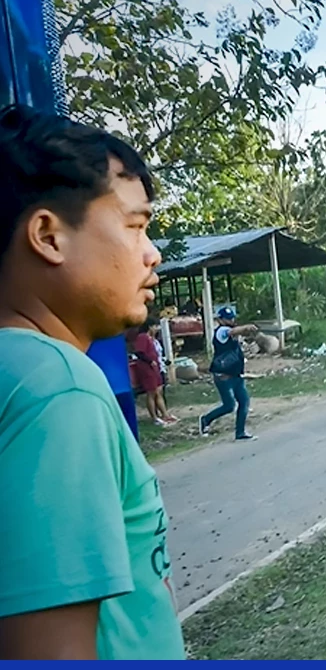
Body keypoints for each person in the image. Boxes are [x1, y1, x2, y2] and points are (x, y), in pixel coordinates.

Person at [0, 104, 185, 658]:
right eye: (134, 226)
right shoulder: (59, 391)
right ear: (49, 236)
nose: (152, 255)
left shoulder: (16, 373)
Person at [199, 306, 257, 441]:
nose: (231, 320)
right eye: (228, 318)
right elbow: (232, 331)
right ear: (220, 320)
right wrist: (246, 327)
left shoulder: (231, 333)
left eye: (232, 317)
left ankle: (240, 432)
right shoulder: (221, 331)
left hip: (236, 374)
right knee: (229, 406)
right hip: (223, 376)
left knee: (244, 402)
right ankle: (206, 419)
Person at [133, 318, 176, 426]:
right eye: (155, 326)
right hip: (147, 368)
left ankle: (165, 414)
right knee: (151, 393)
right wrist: (150, 361)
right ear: (150, 327)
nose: (157, 329)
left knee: (159, 391)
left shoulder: (152, 339)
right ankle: (154, 417)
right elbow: (139, 352)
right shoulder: (142, 337)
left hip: (155, 368)